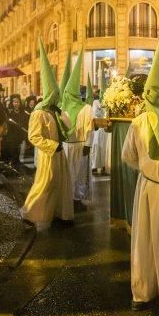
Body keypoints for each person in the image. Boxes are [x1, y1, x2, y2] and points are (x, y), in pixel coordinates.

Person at [123, 16, 159, 310]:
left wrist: (145, 170)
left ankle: (144, 292)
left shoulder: (140, 121)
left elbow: (127, 156)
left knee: (146, 242)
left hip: (150, 187)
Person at [19, 40, 73, 229]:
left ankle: (59, 215)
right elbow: (34, 136)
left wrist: (61, 115)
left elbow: (68, 128)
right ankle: (29, 214)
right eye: (55, 96)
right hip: (48, 154)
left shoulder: (53, 112)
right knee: (46, 183)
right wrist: (52, 146)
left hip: (59, 152)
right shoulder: (39, 113)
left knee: (61, 184)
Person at [60, 48, 96, 210]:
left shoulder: (63, 108)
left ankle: (70, 200)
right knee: (78, 174)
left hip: (70, 146)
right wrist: (88, 145)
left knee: (70, 174)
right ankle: (74, 200)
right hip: (79, 146)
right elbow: (90, 129)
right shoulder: (86, 108)